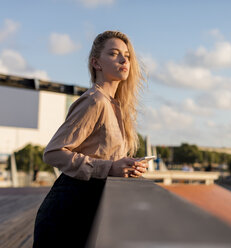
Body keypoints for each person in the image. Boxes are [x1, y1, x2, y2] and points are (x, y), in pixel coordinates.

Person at [33, 31, 148, 247]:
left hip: (89, 206)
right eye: (114, 54)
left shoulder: (116, 107)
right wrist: (109, 168)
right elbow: (54, 152)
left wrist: (127, 166)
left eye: (127, 56)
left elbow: (104, 155)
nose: (124, 60)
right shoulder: (94, 101)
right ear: (96, 63)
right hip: (68, 209)